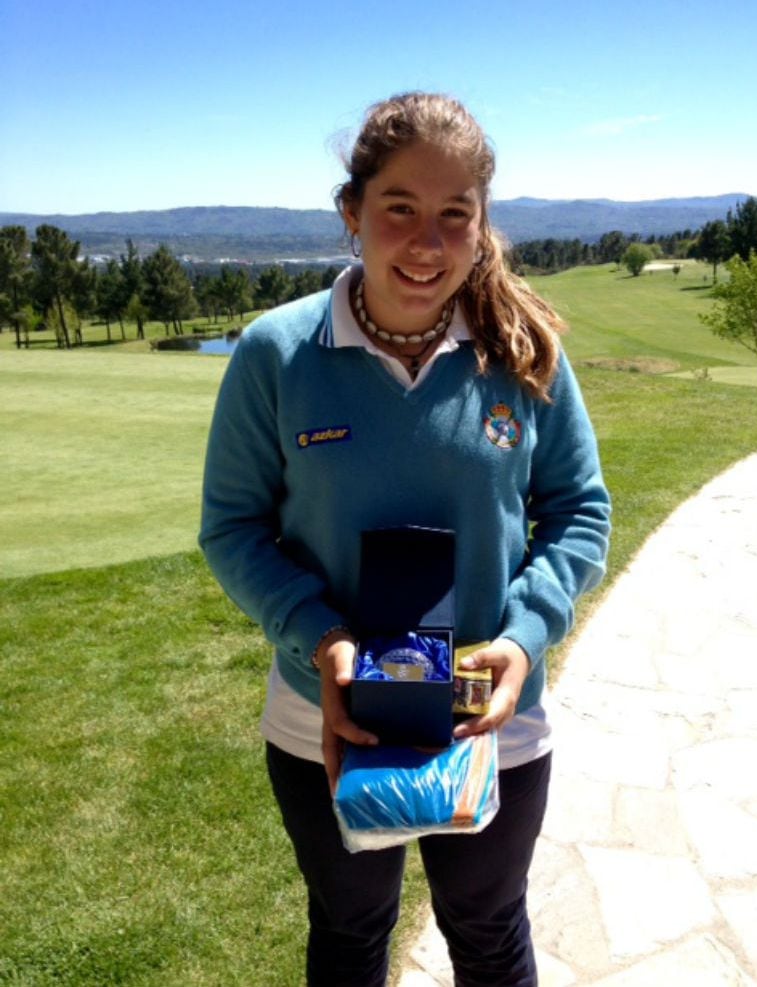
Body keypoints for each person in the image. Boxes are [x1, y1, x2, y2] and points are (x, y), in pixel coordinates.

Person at [199, 92, 611, 987]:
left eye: (454, 215)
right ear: (352, 213)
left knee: (490, 930)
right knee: (350, 934)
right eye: (400, 210)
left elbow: (580, 509)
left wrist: (524, 637)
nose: (427, 242)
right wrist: (323, 634)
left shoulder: (524, 349)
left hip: (490, 714)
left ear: (481, 224)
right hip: (326, 715)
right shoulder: (276, 353)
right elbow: (232, 527)